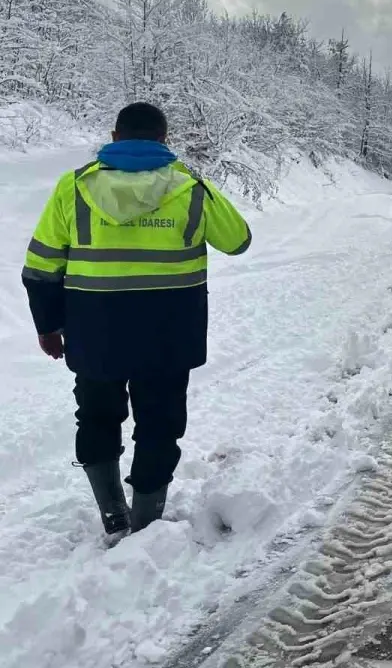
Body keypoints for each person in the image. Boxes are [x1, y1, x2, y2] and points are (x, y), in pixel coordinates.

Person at [22, 102, 252, 539]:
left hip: (94, 331)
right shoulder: (190, 187)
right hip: (169, 332)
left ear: (115, 136)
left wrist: (48, 326)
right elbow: (238, 240)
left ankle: (112, 512)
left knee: (95, 417)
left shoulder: (73, 188)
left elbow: (41, 267)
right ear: (163, 140)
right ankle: (146, 520)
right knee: (160, 422)